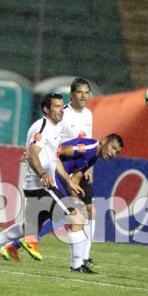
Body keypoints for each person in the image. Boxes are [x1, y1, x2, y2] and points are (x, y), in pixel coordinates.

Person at [0, 93, 92, 273]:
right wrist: (43, 173)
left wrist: (68, 181)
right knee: (76, 216)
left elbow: (53, 159)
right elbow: (32, 153)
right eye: (56, 106)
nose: (61, 109)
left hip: (39, 186)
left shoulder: (54, 128)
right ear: (46, 109)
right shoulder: (44, 126)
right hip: (41, 186)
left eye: (62, 106)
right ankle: (77, 265)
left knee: (27, 226)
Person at [0, 133, 124, 263]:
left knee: (33, 224)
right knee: (72, 215)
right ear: (104, 140)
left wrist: (74, 196)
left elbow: (75, 178)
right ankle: (78, 264)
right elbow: (58, 152)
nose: (113, 153)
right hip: (50, 176)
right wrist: (35, 157)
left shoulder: (93, 156)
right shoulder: (88, 148)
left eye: (117, 152)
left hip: (58, 177)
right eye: (113, 148)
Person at [57, 77, 97, 266]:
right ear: (72, 94)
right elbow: (52, 139)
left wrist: (90, 167)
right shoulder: (62, 114)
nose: (83, 96)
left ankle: (85, 256)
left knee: (90, 210)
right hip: (64, 169)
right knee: (73, 213)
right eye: (80, 92)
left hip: (82, 169)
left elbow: (90, 143)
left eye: (86, 92)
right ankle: (17, 243)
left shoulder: (88, 114)